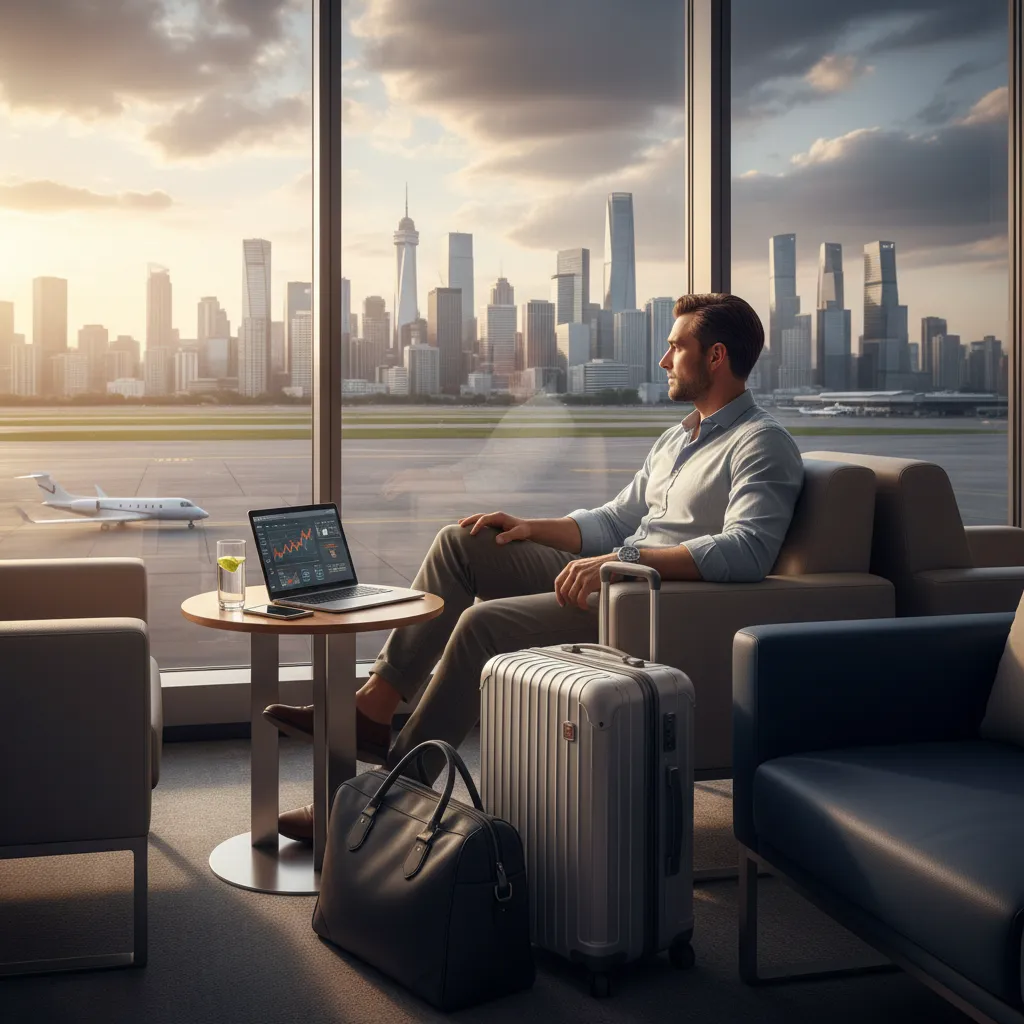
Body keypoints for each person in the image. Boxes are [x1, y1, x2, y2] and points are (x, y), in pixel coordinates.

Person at [267, 292, 804, 843]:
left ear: (716, 357)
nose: (665, 360)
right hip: (614, 576)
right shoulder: (677, 438)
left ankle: (392, 796)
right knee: (463, 541)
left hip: (647, 606)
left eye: (675, 347)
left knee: (484, 623)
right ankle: (373, 710)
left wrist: (624, 563)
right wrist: (528, 526)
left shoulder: (761, 444)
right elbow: (614, 519)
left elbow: (746, 551)